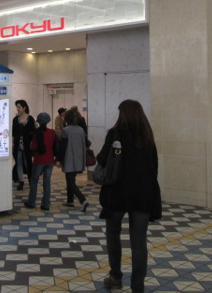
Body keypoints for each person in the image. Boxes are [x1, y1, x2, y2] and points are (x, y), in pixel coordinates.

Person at [98, 99, 161, 292]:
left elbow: (102, 159)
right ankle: (137, 285)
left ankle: (116, 276)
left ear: (122, 114)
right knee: (139, 241)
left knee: (113, 233)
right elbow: (154, 165)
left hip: (117, 192)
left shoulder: (115, 134)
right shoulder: (147, 136)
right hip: (143, 193)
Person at [24, 112, 59, 211]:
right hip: (50, 160)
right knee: (47, 182)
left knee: (34, 180)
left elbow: (33, 146)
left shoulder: (37, 133)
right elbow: (56, 142)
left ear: (38, 122)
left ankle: (31, 202)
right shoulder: (52, 132)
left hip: (39, 160)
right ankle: (45, 204)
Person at [57, 109, 89, 211]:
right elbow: (87, 143)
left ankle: (83, 200)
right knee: (71, 179)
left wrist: (59, 159)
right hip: (79, 158)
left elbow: (63, 147)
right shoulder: (81, 130)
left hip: (69, 158)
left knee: (70, 181)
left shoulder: (65, 130)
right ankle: (70, 200)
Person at [12, 99, 35, 191]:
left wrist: (32, 142)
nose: (18, 109)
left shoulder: (30, 119)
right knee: (18, 162)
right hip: (18, 144)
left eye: (19, 107)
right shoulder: (15, 119)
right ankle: (21, 181)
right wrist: (13, 144)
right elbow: (13, 133)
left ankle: (30, 180)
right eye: (17, 107)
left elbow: (33, 132)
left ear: (24, 108)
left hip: (27, 145)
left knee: (27, 162)